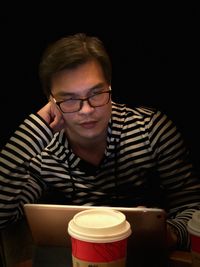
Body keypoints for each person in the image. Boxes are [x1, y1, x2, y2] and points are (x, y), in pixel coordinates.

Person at [0, 32, 200, 252]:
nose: (86, 109)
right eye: (69, 99)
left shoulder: (151, 129)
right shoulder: (41, 152)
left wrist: (170, 235)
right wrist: (34, 128)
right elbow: (2, 216)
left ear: (110, 87)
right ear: (51, 100)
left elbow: (193, 209)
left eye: (96, 93)